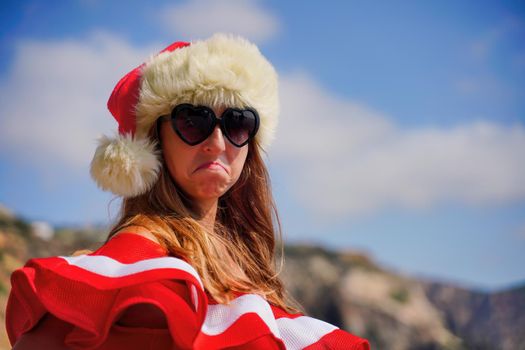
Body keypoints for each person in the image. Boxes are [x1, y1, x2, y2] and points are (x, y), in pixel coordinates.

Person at [6, 33, 370, 349]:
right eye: (192, 121)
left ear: (251, 144)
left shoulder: (251, 285)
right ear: (154, 142)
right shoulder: (117, 282)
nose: (216, 142)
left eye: (237, 123)